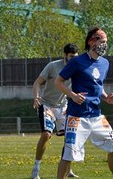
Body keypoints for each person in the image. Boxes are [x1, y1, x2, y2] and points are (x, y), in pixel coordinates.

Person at [54, 27, 113, 179]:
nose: (104, 45)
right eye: (102, 41)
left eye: (106, 42)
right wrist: (72, 95)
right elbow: (58, 82)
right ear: (92, 41)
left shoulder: (105, 63)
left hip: (97, 116)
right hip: (77, 117)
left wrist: (106, 97)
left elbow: (97, 85)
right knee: (68, 154)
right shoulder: (77, 61)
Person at [31, 43, 80, 179]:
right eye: (71, 57)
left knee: (70, 138)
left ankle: (67, 170)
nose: (73, 59)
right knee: (46, 135)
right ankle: (36, 168)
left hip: (63, 107)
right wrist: (36, 97)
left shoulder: (77, 68)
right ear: (64, 55)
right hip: (46, 105)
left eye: (75, 57)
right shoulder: (53, 66)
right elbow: (37, 82)